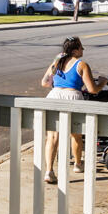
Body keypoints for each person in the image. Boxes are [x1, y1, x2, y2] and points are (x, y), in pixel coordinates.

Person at [39, 36, 96, 175]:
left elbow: (45, 83)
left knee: (52, 137)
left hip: (54, 96)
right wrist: (103, 83)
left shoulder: (57, 61)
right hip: (73, 98)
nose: (83, 49)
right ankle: (77, 164)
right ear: (75, 50)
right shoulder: (82, 64)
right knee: (75, 134)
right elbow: (92, 89)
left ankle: (49, 172)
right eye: (81, 47)